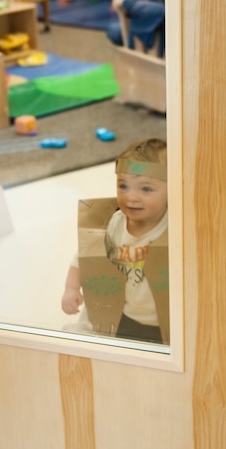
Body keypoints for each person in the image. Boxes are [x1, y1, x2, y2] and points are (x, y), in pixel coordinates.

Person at [61, 138, 168, 343]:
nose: (131, 197)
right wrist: (72, 288)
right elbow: (84, 257)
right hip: (123, 315)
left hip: (163, 320)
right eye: (123, 186)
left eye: (145, 189)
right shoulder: (115, 224)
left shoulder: (173, 225)